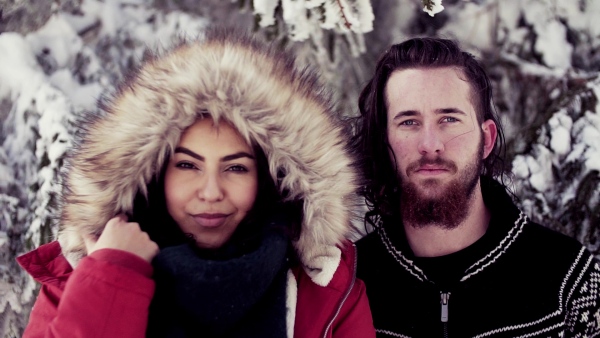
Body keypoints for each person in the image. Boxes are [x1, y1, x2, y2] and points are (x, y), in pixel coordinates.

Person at [16, 29, 375, 338]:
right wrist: (114, 276)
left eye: (236, 169)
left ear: (270, 179)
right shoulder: (82, 273)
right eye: (187, 165)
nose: (210, 192)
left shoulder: (327, 290)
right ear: (156, 172)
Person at [352, 36, 600, 337]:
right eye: (409, 122)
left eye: (449, 119)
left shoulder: (568, 281)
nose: (430, 145)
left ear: (487, 140)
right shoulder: (349, 286)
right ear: (383, 141)